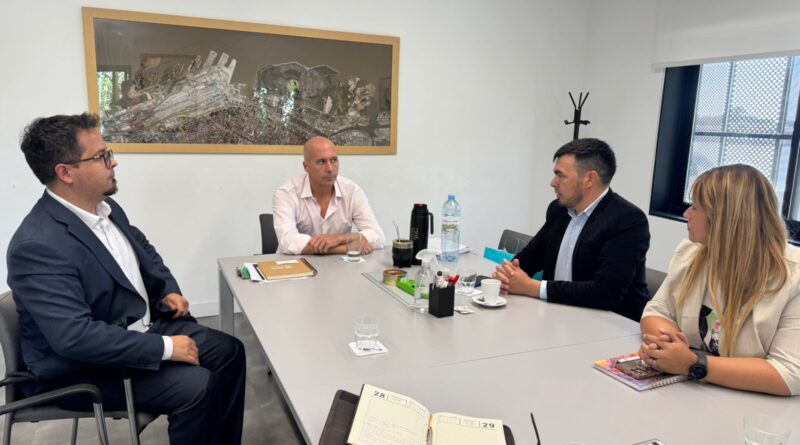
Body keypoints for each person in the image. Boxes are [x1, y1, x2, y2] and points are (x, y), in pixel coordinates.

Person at [6, 113, 247, 444]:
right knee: (197, 386)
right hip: (83, 368)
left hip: (138, 328)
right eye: (102, 156)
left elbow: (143, 249)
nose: (114, 162)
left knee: (230, 351)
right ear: (66, 173)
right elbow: (73, 337)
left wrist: (167, 289)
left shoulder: (105, 208)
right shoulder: (37, 245)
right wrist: (165, 347)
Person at [640, 164, 800, 396]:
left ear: (724, 219)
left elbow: (790, 373)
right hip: (697, 394)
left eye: (695, 207)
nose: (686, 214)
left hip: (754, 406)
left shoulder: (793, 275)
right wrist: (669, 348)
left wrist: (693, 363)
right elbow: (656, 311)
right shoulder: (692, 253)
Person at [493, 138, 650, 321]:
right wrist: (508, 274)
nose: (553, 183)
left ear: (589, 179)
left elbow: (607, 292)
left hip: (610, 324)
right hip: (556, 314)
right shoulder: (559, 209)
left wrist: (531, 287)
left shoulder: (627, 220)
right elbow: (531, 256)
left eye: (560, 175)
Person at [272, 136, 385, 254]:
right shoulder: (286, 193)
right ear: (306, 167)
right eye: (321, 162)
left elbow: (378, 236)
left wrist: (340, 238)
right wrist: (346, 248)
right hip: (294, 262)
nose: (330, 169)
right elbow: (288, 241)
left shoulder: (352, 191)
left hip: (339, 263)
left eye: (334, 160)